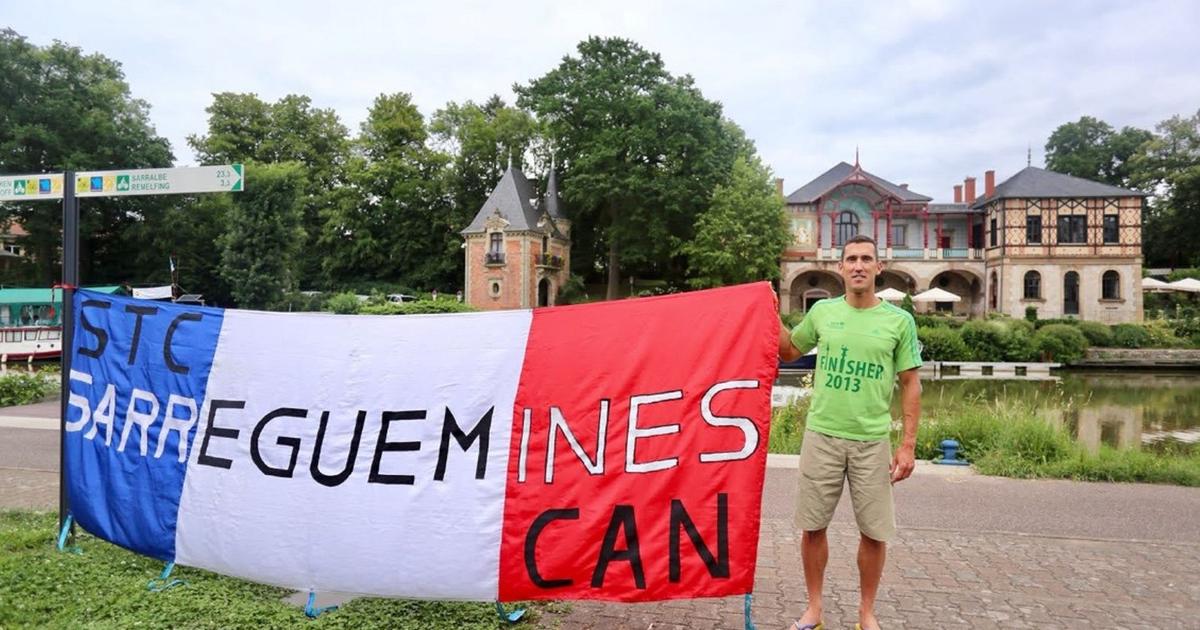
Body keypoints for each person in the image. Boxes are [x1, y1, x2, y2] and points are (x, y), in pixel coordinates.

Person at [778, 234, 922, 630]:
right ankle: (814, 610)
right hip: (822, 435)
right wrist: (766, 312)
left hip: (872, 441)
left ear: (879, 267)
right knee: (812, 526)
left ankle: (866, 614)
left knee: (875, 532)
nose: (858, 265)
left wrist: (907, 445)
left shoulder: (899, 321)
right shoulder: (823, 312)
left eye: (866, 259)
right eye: (851, 259)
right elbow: (789, 351)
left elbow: (911, 383)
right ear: (840, 268)